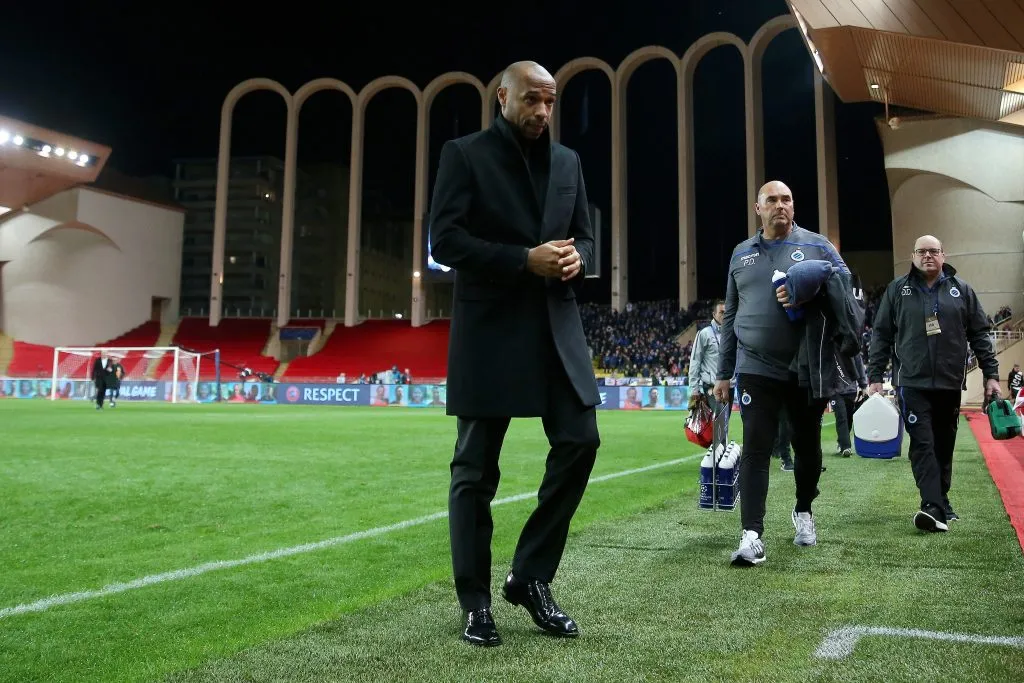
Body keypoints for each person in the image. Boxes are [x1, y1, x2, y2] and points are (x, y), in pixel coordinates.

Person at [429, 60, 601, 647]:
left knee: (581, 441)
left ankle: (529, 576)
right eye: (532, 99)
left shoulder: (568, 162)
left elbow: (585, 235)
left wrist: (578, 258)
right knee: (475, 471)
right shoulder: (464, 154)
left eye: (550, 102)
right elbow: (445, 240)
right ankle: (475, 603)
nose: (543, 111)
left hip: (555, 328)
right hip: (489, 332)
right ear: (502, 97)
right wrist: (523, 259)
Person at [713, 180, 851, 567]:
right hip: (755, 367)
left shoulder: (817, 246)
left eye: (786, 199)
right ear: (758, 208)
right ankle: (752, 535)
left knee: (807, 448)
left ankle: (804, 508)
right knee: (756, 447)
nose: (780, 205)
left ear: (793, 205)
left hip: (805, 366)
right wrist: (724, 373)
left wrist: (809, 289)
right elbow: (731, 316)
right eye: (771, 200)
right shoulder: (741, 253)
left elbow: (847, 285)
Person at [866, 235, 1000, 531]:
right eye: (922, 251)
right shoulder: (897, 290)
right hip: (912, 382)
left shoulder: (961, 290)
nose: (928, 255)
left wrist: (991, 375)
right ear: (913, 256)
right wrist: (875, 376)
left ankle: (941, 500)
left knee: (943, 444)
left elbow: (980, 334)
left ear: (943, 255)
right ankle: (931, 505)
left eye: (933, 251)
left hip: (949, 383)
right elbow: (881, 334)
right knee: (923, 443)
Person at [688, 300, 731, 453]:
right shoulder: (704, 334)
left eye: (727, 312)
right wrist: (694, 389)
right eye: (721, 312)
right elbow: (695, 362)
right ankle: (719, 457)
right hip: (712, 386)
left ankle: (720, 455)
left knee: (724, 422)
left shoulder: (731, 333)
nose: (724, 315)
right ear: (714, 314)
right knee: (720, 421)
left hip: (730, 385)